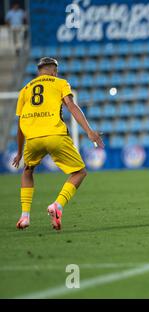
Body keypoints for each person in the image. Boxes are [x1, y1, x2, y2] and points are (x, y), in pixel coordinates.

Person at [13, 57, 104, 230]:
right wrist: (89, 132)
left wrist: (19, 152)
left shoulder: (24, 90)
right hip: (55, 134)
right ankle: (58, 205)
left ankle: (25, 216)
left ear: (39, 71)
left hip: (32, 138)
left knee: (27, 171)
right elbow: (71, 106)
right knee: (79, 172)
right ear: (54, 70)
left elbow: (19, 125)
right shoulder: (60, 82)